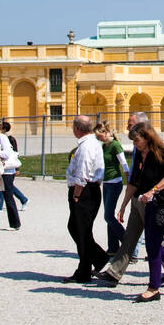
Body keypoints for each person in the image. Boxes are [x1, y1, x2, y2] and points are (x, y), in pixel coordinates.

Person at [117, 122, 164, 301]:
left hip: (162, 203)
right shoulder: (139, 154)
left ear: (147, 137)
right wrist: (123, 206)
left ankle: (154, 288)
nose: (134, 144)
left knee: (152, 244)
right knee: (153, 244)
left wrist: (153, 190)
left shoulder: (160, 152)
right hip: (146, 202)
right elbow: (134, 182)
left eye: (136, 140)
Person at [64, 115, 109, 283]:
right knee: (78, 228)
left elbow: (83, 172)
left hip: (84, 191)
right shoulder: (92, 143)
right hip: (88, 190)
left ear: (77, 129)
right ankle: (97, 258)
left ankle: (85, 270)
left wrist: (77, 194)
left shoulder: (86, 146)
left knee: (80, 230)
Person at [94, 123, 128, 255]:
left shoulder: (115, 145)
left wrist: (128, 179)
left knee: (108, 216)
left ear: (106, 132)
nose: (98, 138)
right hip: (106, 184)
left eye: (99, 136)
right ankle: (113, 248)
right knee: (110, 216)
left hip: (115, 183)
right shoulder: (104, 146)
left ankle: (128, 243)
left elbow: (124, 163)